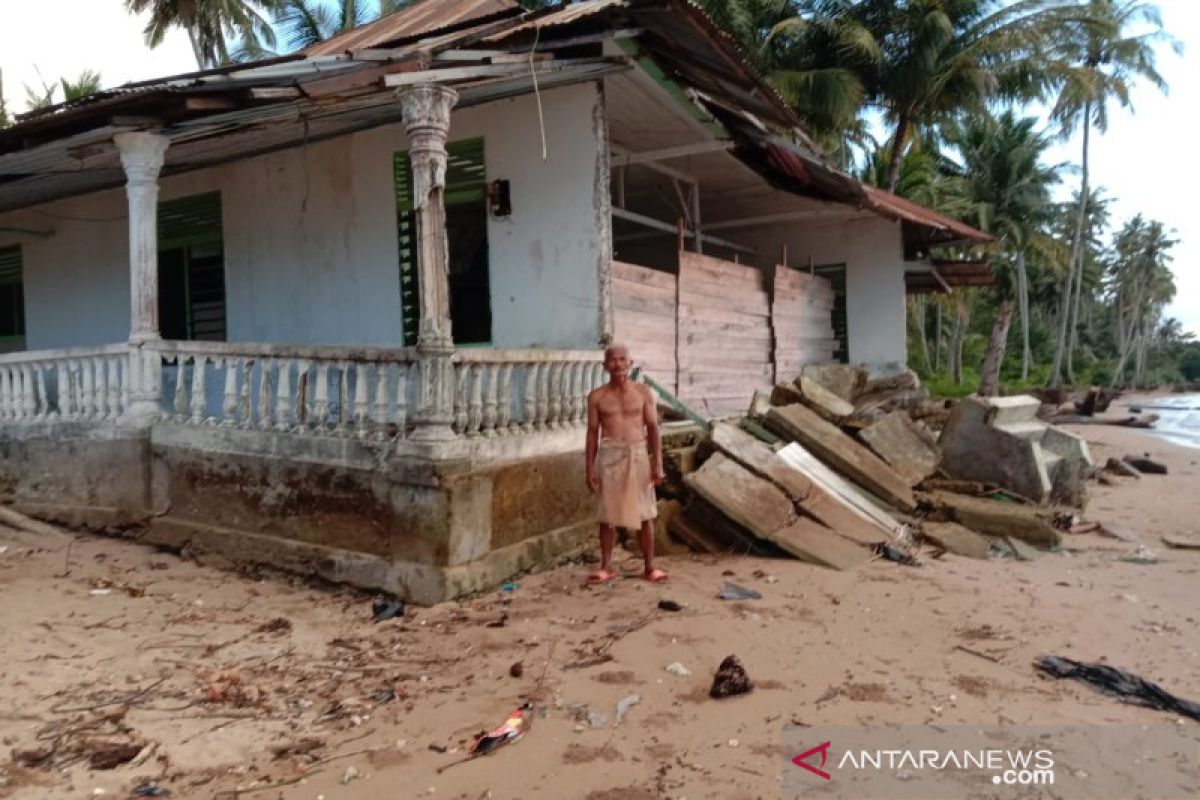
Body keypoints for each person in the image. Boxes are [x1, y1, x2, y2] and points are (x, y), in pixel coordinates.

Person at [584, 343, 667, 583]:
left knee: (645, 512)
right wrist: (589, 467)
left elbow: (653, 428)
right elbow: (591, 433)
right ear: (605, 365)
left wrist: (657, 462)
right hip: (610, 455)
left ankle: (650, 566)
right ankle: (606, 566)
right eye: (612, 360)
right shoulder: (597, 397)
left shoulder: (643, 392)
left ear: (630, 363)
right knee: (607, 513)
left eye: (622, 359)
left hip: (638, 453)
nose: (618, 364)